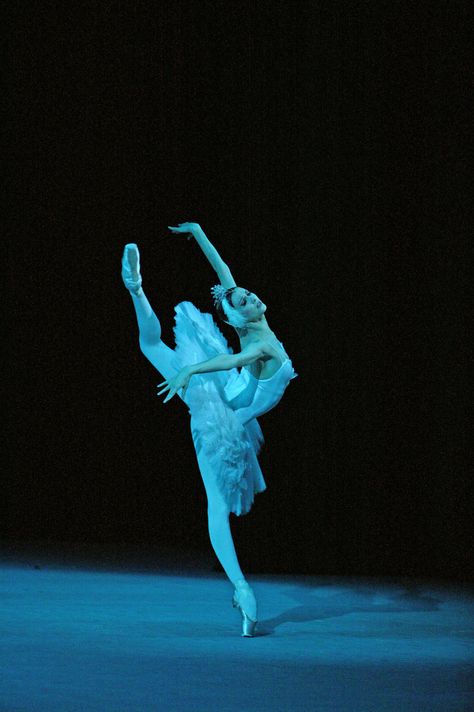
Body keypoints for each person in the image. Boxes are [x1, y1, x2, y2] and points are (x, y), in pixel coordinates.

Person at [121, 222, 298, 636]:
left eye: (249, 294)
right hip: (220, 402)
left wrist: (192, 369)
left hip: (227, 407)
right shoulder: (256, 336)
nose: (252, 296)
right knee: (216, 507)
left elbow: (225, 280)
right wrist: (192, 370)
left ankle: (135, 287)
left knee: (152, 346)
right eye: (245, 298)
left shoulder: (256, 335)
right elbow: (232, 353)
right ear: (240, 314)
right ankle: (135, 285)